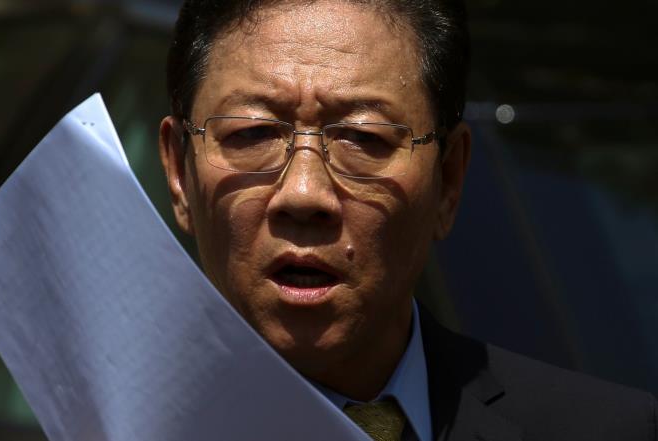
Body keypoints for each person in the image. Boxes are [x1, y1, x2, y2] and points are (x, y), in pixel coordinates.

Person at [158, 0, 658, 440]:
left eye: (363, 138)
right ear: (179, 170)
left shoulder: (605, 429)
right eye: (251, 133)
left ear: (449, 179)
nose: (304, 194)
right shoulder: (115, 422)